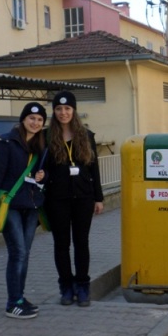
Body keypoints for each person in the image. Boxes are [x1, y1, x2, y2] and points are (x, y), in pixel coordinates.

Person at [0, 102, 47, 319]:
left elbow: (43, 173)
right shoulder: (7, 142)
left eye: (39, 120)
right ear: (23, 119)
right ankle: (12, 303)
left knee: (25, 253)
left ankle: (20, 297)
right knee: (18, 252)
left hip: (31, 206)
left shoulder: (41, 146)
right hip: (10, 205)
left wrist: (42, 175)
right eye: (32, 118)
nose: (35, 123)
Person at [43, 91, 104, 307]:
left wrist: (98, 197)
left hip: (83, 198)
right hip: (57, 199)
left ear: (74, 111)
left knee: (81, 243)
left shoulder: (86, 135)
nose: (63, 113)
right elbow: (41, 167)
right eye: (58, 109)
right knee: (61, 244)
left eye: (67, 108)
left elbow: (94, 168)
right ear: (54, 112)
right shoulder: (47, 136)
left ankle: (83, 286)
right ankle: (66, 287)